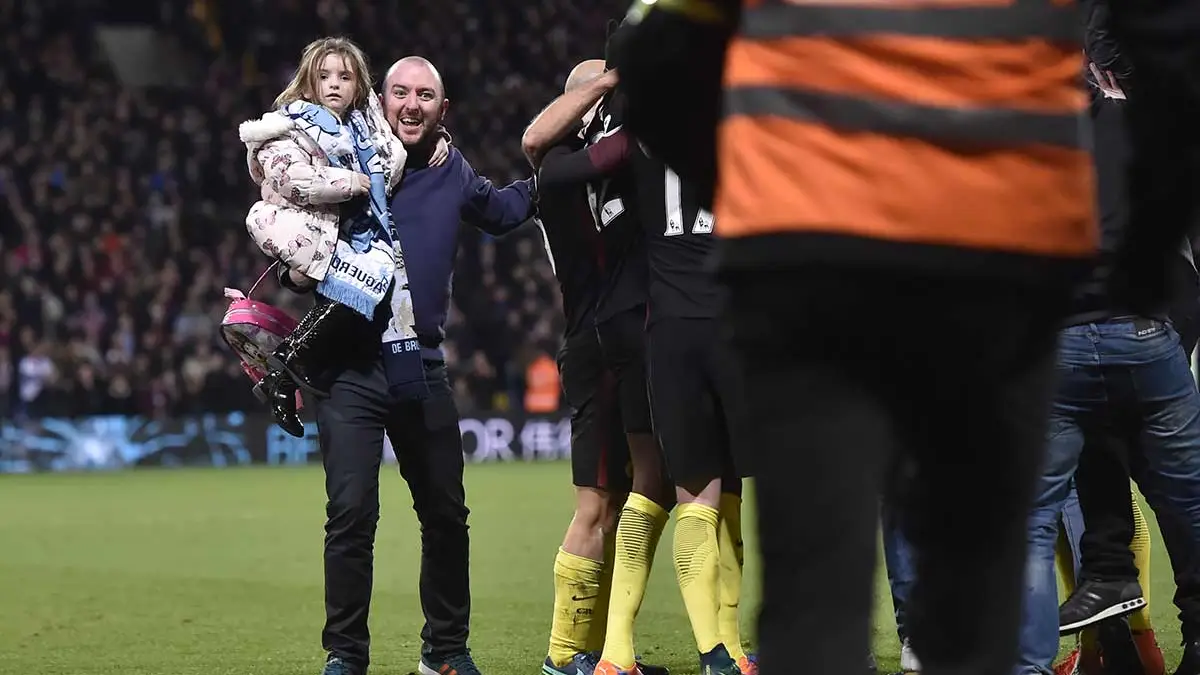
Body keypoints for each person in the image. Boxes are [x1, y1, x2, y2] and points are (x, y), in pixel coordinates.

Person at [611, 1, 1097, 674]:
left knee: (814, 588)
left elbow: (648, 54)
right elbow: (1162, 44)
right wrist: (1150, 237)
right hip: (999, 247)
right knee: (977, 574)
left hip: (813, 249)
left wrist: (749, 186)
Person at [277, 54, 535, 675]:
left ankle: (445, 653)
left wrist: (563, 166)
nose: (411, 105)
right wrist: (293, 261)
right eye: (399, 93)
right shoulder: (341, 157)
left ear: (442, 110)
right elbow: (295, 232)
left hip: (418, 365)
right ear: (378, 100)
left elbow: (501, 212)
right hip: (348, 368)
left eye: (425, 96)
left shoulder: (453, 171)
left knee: (446, 513)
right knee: (351, 515)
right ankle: (346, 657)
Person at [1016, 49, 1200, 675]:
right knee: (1188, 502)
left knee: (1032, 522)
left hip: (1057, 344)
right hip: (1145, 336)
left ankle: (1033, 657)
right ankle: (1123, 584)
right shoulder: (1143, 125)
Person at [584, 51, 753, 675]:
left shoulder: (636, 139)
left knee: (695, 497)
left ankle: (716, 652)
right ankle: (731, 648)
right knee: (739, 491)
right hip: (734, 331)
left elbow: (554, 170)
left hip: (669, 333)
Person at [522, 58, 673, 675]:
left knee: (623, 497)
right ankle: (564, 654)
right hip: (595, 344)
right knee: (596, 505)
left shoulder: (591, 169)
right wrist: (613, 83)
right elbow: (536, 139)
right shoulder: (561, 169)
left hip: (616, 340)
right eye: (588, 96)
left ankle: (607, 653)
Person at [236, 37, 407, 437]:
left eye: (345, 77)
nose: (334, 84)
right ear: (308, 82)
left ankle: (285, 375)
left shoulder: (365, 130)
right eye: (324, 75)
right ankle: (286, 367)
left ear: (359, 86)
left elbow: (391, 162)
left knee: (364, 287)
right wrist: (350, 181)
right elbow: (289, 178)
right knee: (365, 280)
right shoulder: (287, 126)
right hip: (304, 231)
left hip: (343, 235)